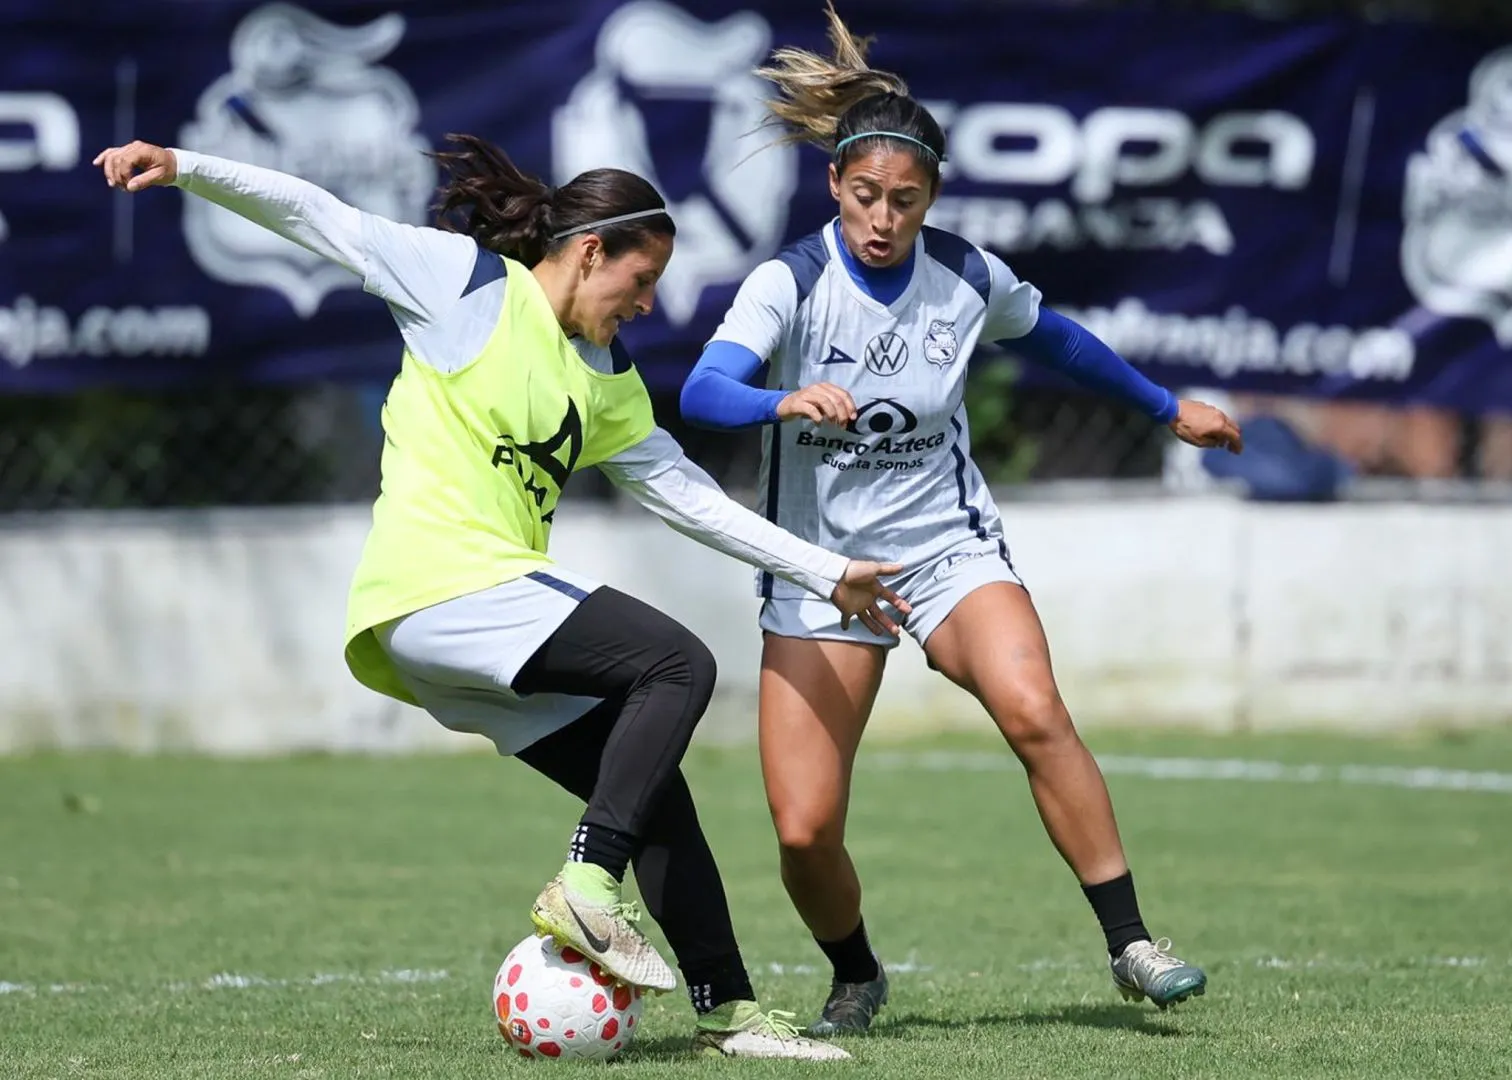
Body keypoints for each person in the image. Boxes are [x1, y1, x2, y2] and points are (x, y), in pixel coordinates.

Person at [94, 133, 910, 1060]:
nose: (649, 303)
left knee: (649, 792)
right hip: (443, 587)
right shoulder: (463, 284)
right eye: (641, 279)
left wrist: (825, 569)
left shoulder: (604, 378)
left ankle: (729, 1012)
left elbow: (686, 496)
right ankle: (588, 882)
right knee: (677, 665)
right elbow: (319, 215)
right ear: (592, 248)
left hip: (454, 634)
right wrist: (187, 165)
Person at [678, 3, 1244, 1036]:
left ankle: (1131, 942)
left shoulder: (967, 277)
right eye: (865, 196)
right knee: (804, 833)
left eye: (905, 198)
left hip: (946, 546)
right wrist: (780, 400)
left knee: (1034, 709)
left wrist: (1170, 408)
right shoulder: (790, 282)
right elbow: (704, 392)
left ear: (931, 195)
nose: (883, 218)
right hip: (820, 568)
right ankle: (856, 972)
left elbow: (1058, 340)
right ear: (835, 188)